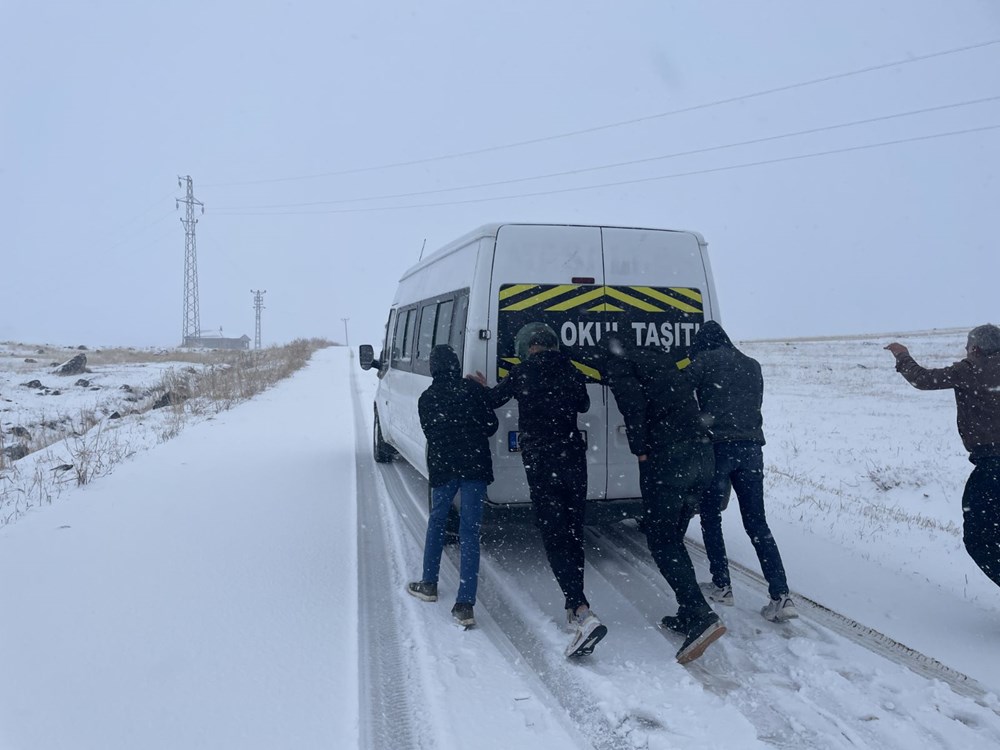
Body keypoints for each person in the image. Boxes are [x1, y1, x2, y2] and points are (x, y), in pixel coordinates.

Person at [473, 324, 608, 657]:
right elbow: (583, 404)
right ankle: (577, 603)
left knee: (554, 531)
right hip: (573, 457)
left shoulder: (521, 372)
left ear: (526, 346)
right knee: (574, 529)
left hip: (542, 459)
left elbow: (492, 401)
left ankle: (579, 610)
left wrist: (479, 387)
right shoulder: (570, 369)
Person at [599, 333, 727, 663]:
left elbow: (632, 407)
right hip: (703, 455)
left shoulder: (621, 366)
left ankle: (700, 616)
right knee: (674, 536)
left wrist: (641, 450)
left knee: (662, 539)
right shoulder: (663, 363)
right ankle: (688, 612)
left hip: (672, 459)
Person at [684, 321, 798, 623]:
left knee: (710, 515)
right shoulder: (752, 364)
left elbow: (680, 390)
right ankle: (781, 594)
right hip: (751, 450)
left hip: (718, 448)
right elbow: (754, 403)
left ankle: (722, 585)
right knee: (757, 523)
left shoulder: (704, 361)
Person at [885, 325, 1000, 590]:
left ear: (975, 348)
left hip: (992, 467)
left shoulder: (969, 370)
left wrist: (902, 355)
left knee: (978, 540)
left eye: (967, 347)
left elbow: (923, 379)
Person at [407, 345, 499, 628]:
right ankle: (464, 605)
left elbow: (431, 431)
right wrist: (481, 392)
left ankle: (429, 584)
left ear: (434, 368)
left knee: (437, 521)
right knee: (469, 532)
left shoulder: (427, 398)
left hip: (444, 469)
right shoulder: (472, 391)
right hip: (474, 468)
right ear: (457, 366)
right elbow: (490, 425)